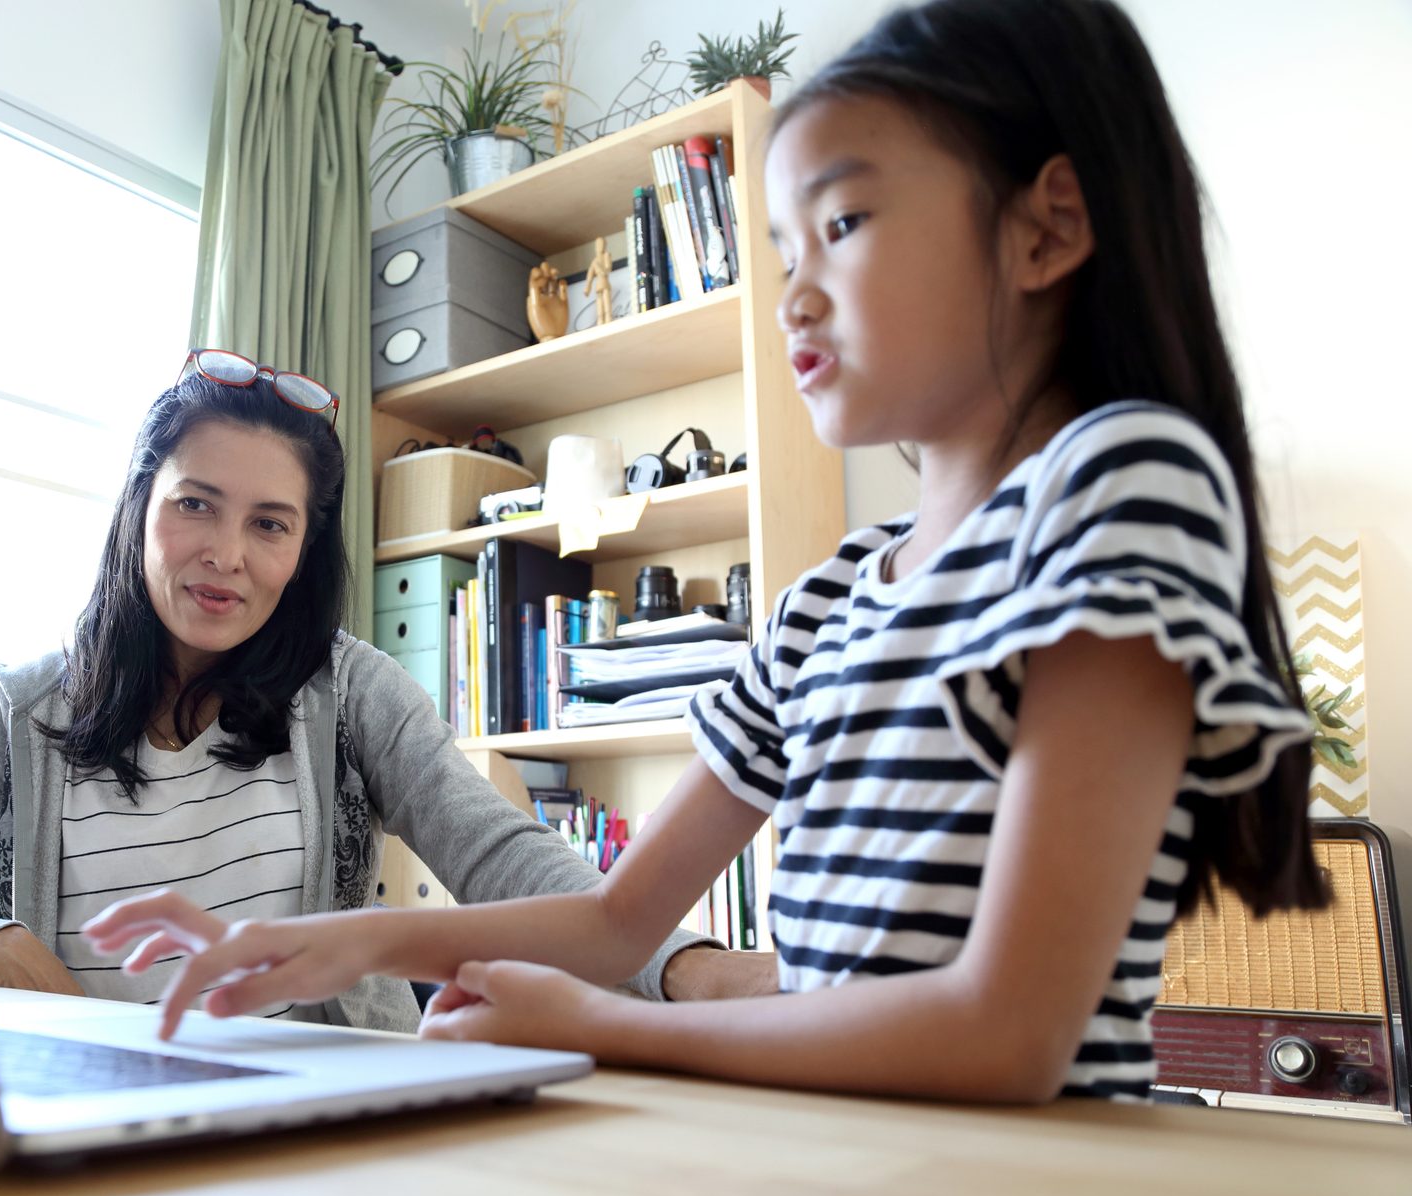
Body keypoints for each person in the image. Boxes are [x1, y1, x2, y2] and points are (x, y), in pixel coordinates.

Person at [79, 0, 1326, 1103]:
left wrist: (612, 1031)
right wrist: (335, 945)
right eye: (783, 249)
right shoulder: (833, 596)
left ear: (1045, 229)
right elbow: (623, 914)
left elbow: (1007, 1032)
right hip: (838, 1178)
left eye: (842, 221)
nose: (791, 292)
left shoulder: (1118, 485)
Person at [0, 348, 739, 1032]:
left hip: (317, 1135)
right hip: (87, 1121)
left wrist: (692, 973)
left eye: (269, 524)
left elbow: (503, 855)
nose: (226, 554)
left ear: (305, 547)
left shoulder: (352, 693)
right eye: (195, 505)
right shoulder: (18, 712)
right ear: (140, 504)